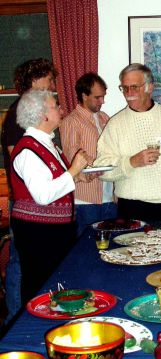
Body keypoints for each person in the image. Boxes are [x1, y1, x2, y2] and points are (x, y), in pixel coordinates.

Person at [10, 89, 89, 305]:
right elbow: (43, 195)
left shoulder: (47, 143)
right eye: (56, 106)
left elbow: (55, 182)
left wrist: (75, 176)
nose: (61, 109)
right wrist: (73, 171)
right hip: (39, 234)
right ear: (42, 115)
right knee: (41, 290)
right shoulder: (28, 150)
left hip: (54, 231)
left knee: (57, 289)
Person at [94, 63, 161, 222]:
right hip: (132, 209)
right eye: (125, 88)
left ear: (150, 87)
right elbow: (101, 170)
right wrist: (131, 162)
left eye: (134, 87)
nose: (129, 93)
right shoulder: (115, 124)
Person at [0, 58, 57, 323]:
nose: (53, 86)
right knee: (20, 263)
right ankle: (16, 318)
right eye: (49, 79)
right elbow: (18, 162)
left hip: (38, 203)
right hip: (25, 203)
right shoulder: (16, 115)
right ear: (35, 80)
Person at [60, 73, 117, 236]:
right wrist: (103, 165)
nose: (103, 101)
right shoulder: (71, 121)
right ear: (84, 96)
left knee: (110, 246)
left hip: (109, 197)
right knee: (87, 249)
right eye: (98, 97)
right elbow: (73, 156)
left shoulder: (105, 118)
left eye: (103, 97)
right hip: (86, 200)